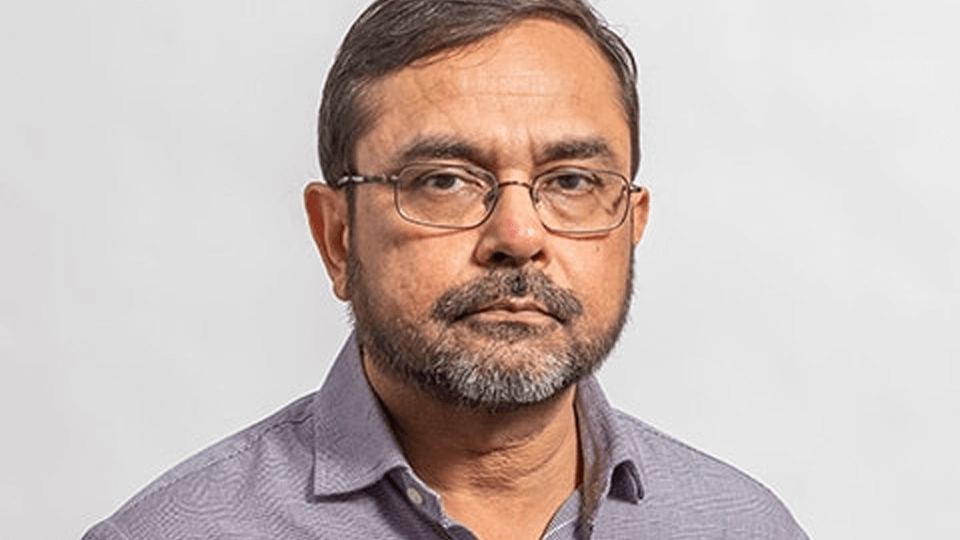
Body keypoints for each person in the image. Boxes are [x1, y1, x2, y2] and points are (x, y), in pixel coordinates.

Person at [83, 0, 809, 538]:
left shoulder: (743, 527)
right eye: (444, 180)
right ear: (337, 237)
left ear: (631, 224)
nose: (518, 236)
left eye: (571, 181)